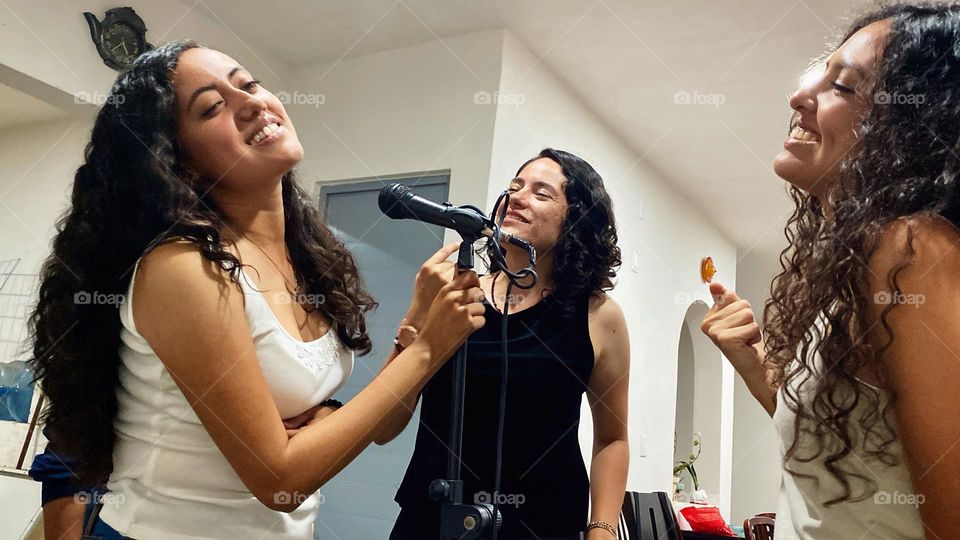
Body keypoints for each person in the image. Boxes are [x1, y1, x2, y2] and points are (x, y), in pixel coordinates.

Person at [29, 39, 485, 539]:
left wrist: (415, 326)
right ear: (179, 161)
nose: (252, 103)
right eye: (212, 107)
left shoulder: (307, 255)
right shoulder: (183, 267)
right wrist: (428, 351)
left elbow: (382, 428)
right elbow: (278, 476)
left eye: (248, 84)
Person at [700, 3, 960, 538]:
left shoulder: (909, 251)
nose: (799, 98)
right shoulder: (856, 267)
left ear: (911, 125)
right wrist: (756, 366)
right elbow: (849, 452)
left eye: (841, 86)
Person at [382, 148, 631, 539]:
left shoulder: (600, 317)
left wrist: (602, 529)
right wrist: (416, 313)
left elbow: (613, 438)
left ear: (578, 218)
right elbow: (383, 426)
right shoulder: (454, 298)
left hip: (544, 525)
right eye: (514, 187)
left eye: (541, 192)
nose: (516, 196)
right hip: (432, 520)